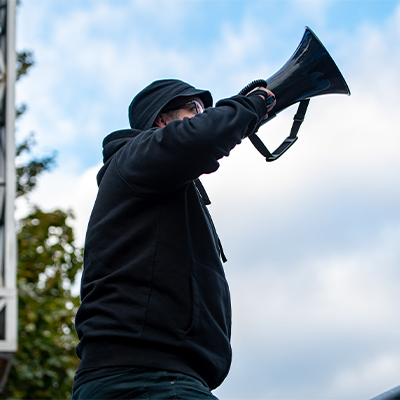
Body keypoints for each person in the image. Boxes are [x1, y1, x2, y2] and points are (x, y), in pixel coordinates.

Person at [71, 79, 276, 400]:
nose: (204, 115)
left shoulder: (161, 183)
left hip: (153, 377)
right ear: (161, 121)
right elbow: (203, 137)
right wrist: (253, 104)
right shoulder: (135, 155)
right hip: (145, 377)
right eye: (194, 109)